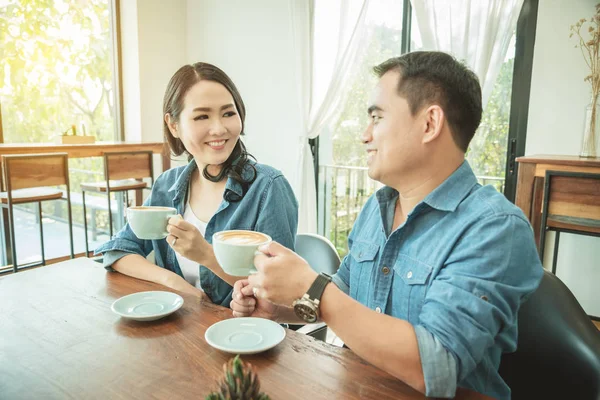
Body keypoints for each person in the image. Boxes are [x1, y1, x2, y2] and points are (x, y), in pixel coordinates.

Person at [230, 51, 543, 399]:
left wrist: (312, 287)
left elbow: (433, 368)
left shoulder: (495, 228)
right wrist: (280, 306)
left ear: (429, 124)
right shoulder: (376, 209)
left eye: (377, 117)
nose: (365, 135)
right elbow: (345, 295)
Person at [95, 62, 298, 306]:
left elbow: (281, 293)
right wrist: (173, 283)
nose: (219, 128)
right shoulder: (167, 185)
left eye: (228, 113)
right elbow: (118, 249)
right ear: (173, 125)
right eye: (202, 116)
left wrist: (206, 255)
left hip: (245, 334)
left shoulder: (268, 188)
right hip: (178, 331)